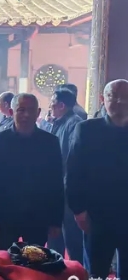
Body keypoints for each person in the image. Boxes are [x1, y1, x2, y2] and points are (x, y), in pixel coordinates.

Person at [67, 79, 128, 280]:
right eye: (113, 96)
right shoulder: (87, 130)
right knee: (96, 277)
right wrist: (78, 210)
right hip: (97, 216)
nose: (119, 101)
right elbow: (74, 172)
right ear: (103, 99)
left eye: (125, 97)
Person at [0, 93, 64, 250]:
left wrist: (55, 220)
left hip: (38, 216)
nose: (26, 115)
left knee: (35, 262)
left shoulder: (50, 142)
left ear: (38, 112)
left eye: (31, 110)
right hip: (5, 215)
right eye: (21, 110)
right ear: (11, 112)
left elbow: (56, 183)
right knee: (4, 261)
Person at [46, 88, 84, 263]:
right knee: (54, 233)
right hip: (55, 188)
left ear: (61, 105)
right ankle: (54, 268)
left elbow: (71, 158)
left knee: (72, 237)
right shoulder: (57, 122)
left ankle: (78, 272)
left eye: (52, 103)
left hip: (66, 188)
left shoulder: (74, 124)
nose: (50, 107)